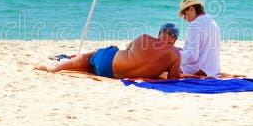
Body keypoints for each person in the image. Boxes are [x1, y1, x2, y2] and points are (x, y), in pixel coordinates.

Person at [38, 23, 182, 79]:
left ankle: (57, 67)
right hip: (111, 75)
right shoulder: (175, 54)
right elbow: (173, 79)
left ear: (159, 33)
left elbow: (128, 50)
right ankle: (63, 61)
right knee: (89, 65)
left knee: (90, 57)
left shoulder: (144, 38)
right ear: (174, 40)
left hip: (108, 61)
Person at [178, 0, 221, 77]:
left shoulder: (195, 25)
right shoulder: (212, 22)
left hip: (198, 70)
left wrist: (174, 55)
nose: (184, 18)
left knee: (162, 62)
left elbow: (192, 56)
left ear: (191, 9)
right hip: (212, 70)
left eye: (184, 14)